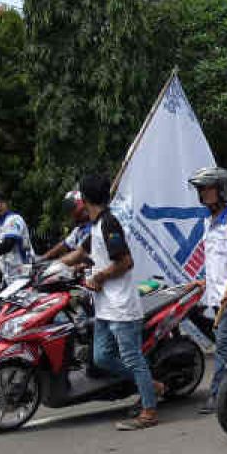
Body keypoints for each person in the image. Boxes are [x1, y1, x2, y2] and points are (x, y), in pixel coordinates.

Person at [61, 174, 162, 430]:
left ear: (84, 199)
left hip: (121, 307)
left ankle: (149, 410)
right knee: (102, 357)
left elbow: (126, 262)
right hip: (105, 306)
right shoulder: (95, 226)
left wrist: (100, 276)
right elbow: (80, 254)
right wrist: (48, 268)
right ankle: (151, 385)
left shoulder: (109, 224)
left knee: (132, 358)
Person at [188, 166, 227, 414]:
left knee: (224, 348)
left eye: (207, 188)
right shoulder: (207, 223)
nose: (203, 194)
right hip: (213, 296)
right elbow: (215, 259)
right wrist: (203, 280)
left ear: (222, 190)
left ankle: (217, 394)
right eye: (201, 189)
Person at [41, 191, 92, 262]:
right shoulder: (78, 230)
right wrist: (43, 258)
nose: (72, 212)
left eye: (72, 207)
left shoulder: (97, 225)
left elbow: (80, 254)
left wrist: (59, 263)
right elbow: (64, 245)